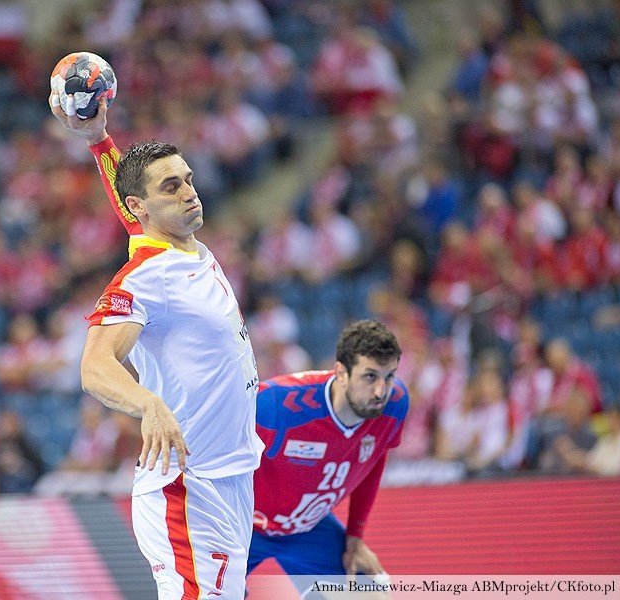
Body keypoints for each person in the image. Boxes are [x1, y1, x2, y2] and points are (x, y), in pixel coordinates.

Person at [50, 93, 263, 598]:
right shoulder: (145, 277)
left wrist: (98, 139)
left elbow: (132, 206)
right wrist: (148, 405)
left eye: (188, 179)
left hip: (231, 478)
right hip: (187, 488)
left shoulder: (176, 244)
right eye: (172, 187)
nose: (190, 193)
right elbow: (95, 367)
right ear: (143, 206)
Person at [248, 320, 407, 593]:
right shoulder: (274, 405)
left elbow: (373, 460)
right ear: (341, 372)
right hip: (242, 526)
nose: (381, 391)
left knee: (370, 590)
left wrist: (355, 536)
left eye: (389, 376)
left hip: (308, 527)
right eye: (370, 376)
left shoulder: (395, 404)